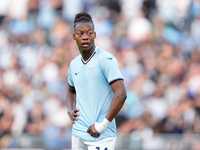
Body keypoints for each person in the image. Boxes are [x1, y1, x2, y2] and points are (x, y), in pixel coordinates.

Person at [66, 11, 127, 150]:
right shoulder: (74, 64)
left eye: (89, 33)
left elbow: (121, 94)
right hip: (78, 133)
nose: (85, 37)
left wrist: (101, 126)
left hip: (101, 136)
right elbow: (70, 90)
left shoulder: (106, 60)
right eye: (80, 34)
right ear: (74, 36)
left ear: (95, 35)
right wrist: (70, 110)